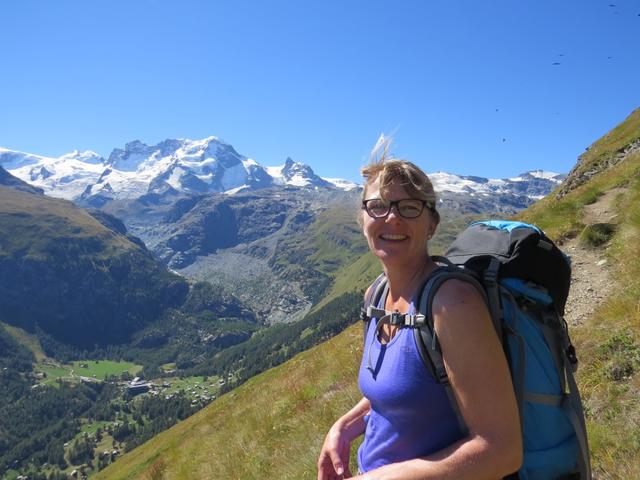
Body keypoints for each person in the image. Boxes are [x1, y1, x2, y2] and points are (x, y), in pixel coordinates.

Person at [317, 141, 522, 480]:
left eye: (410, 207)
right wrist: (345, 426)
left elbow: (502, 451)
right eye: (378, 206)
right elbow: (404, 393)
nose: (392, 217)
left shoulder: (452, 303)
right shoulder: (375, 295)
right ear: (362, 218)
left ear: (432, 224)